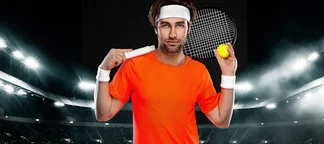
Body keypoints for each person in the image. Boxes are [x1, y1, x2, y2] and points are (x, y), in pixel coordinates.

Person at [93, 0, 237, 143]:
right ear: (156, 27)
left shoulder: (199, 71)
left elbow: (221, 121)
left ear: (189, 27)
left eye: (180, 25)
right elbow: (103, 114)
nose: (173, 34)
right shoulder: (134, 65)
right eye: (165, 25)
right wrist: (103, 70)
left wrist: (229, 74)